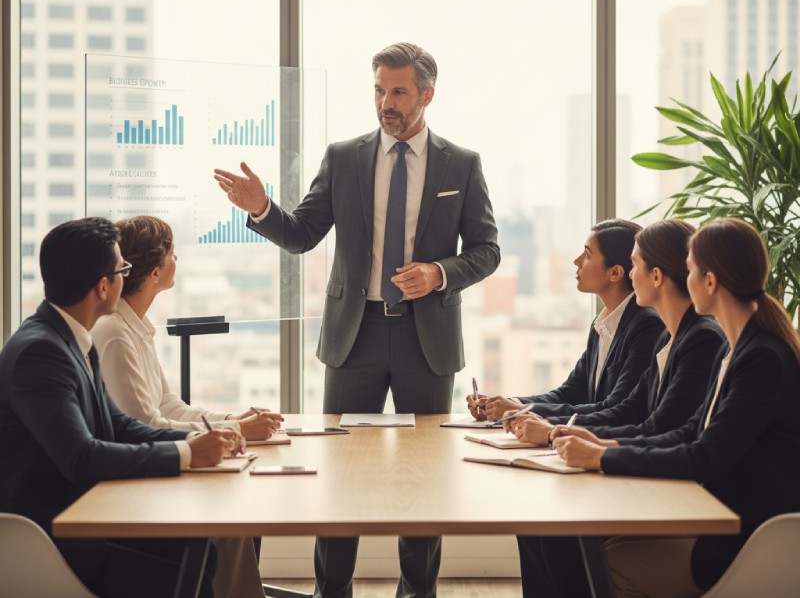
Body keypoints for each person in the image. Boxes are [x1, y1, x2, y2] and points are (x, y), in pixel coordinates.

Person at [214, 41, 500, 598]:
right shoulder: (344, 156)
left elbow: (487, 250)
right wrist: (261, 208)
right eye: (378, 90)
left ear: (426, 95)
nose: (385, 102)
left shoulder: (461, 164)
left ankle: (417, 592)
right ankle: (332, 592)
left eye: (397, 91)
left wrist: (439, 273)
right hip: (354, 335)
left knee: (424, 481)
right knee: (338, 475)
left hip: (428, 340)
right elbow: (301, 234)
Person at [552, 218, 800, 597]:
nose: (684, 280)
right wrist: (604, 448)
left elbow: (703, 455)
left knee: (598, 560)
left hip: (748, 538)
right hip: (722, 520)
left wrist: (601, 458)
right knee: (587, 548)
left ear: (710, 282)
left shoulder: (759, 358)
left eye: (690, 271)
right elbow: (689, 433)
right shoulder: (738, 349)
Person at [0, 217, 244, 598]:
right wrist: (185, 451)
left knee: (201, 555)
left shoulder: (72, 338)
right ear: (103, 286)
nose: (126, 278)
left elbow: (122, 425)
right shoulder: (41, 352)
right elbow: (81, 456)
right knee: (188, 568)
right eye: (122, 270)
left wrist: (198, 442)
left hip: (82, 515)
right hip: (46, 535)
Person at [509, 219, 725, 597]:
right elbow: (632, 410)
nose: (631, 273)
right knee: (538, 523)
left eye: (636, 264)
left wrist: (591, 448)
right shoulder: (674, 338)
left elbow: (660, 427)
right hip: (656, 479)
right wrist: (564, 431)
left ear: (655, 276)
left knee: (556, 531)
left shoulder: (693, 337)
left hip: (683, 500)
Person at [92, 215, 283, 440]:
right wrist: (238, 431)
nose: (177, 257)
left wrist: (232, 420)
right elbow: (146, 426)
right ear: (154, 273)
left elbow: (167, 405)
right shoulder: (115, 333)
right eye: (171, 253)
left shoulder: (137, 325)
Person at [468, 219, 664, 422]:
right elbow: (570, 392)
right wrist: (509, 405)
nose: (576, 261)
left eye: (587, 255)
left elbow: (616, 409)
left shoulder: (647, 325)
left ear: (615, 272)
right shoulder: (603, 323)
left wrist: (522, 413)